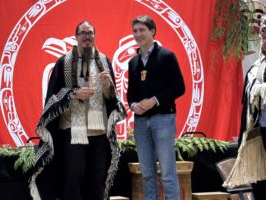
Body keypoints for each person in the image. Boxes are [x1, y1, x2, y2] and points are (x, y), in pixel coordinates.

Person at [29, 21, 126, 200]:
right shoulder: (64, 62)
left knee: (97, 176)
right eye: (83, 33)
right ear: (76, 37)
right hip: (73, 130)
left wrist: (107, 86)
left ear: (95, 36)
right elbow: (52, 97)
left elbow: (112, 97)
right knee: (74, 176)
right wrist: (74, 93)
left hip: (99, 131)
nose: (87, 37)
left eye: (90, 33)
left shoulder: (104, 60)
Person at [127, 15, 185, 200]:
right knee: (147, 174)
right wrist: (133, 105)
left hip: (163, 119)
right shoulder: (133, 62)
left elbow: (179, 87)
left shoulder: (166, 56)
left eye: (142, 30)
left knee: (168, 173)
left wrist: (154, 100)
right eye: (135, 31)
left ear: (152, 31)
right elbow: (131, 93)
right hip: (141, 122)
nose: (138, 34)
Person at [223, 16, 266, 200]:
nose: (264, 38)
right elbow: (247, 103)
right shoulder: (257, 68)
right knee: (261, 180)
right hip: (259, 130)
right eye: (263, 33)